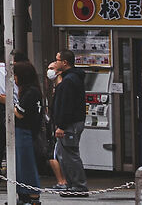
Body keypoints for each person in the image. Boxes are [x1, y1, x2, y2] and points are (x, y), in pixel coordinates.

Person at [49, 51, 90, 197]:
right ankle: (72, 184)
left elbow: (66, 105)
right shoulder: (71, 78)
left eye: (57, 60)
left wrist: (61, 125)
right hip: (71, 123)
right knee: (63, 154)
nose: (55, 63)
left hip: (70, 124)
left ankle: (78, 185)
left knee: (70, 154)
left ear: (65, 62)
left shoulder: (69, 81)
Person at [10, 58, 44, 205]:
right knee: (22, 165)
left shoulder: (30, 92)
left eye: (15, 75)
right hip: (27, 132)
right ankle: (24, 195)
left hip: (25, 132)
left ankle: (32, 196)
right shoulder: (33, 90)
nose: (14, 78)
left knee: (26, 165)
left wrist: (8, 103)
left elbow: (20, 113)